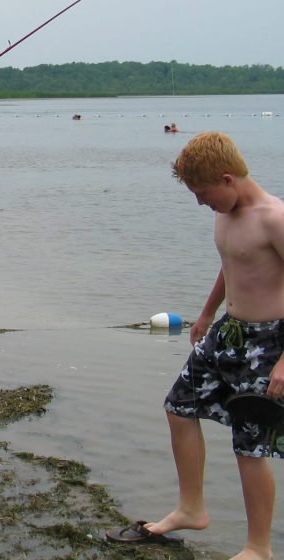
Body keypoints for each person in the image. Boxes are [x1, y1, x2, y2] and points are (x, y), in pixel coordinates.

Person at [107, 132, 284, 556]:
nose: (200, 203)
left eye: (202, 194)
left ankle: (258, 547)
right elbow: (232, 263)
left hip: (268, 345)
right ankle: (191, 508)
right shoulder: (225, 213)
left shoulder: (274, 218)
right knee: (179, 408)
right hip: (228, 332)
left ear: (227, 179)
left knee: (249, 445)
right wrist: (207, 314)